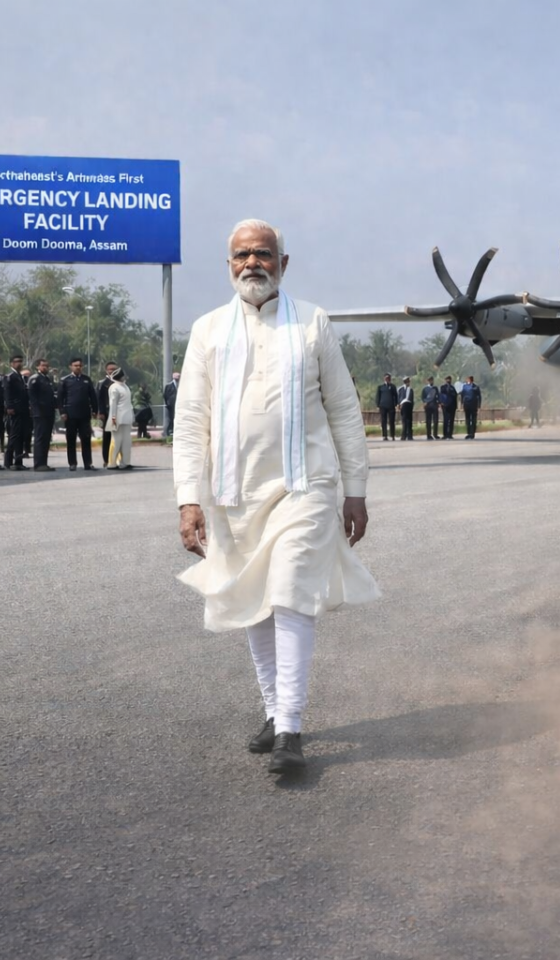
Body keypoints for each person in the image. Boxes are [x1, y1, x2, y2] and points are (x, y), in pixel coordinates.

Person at [174, 218, 378, 775]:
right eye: (241, 255)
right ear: (229, 265)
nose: (252, 264)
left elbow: (343, 409)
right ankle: (273, 710)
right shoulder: (208, 330)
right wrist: (189, 499)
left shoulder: (312, 323)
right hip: (233, 493)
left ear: (283, 264)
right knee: (253, 603)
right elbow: (191, 420)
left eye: (263, 254)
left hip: (304, 485)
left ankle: (289, 725)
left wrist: (355, 490)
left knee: (289, 593)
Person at [57, 358, 98, 472]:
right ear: (70, 366)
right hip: (70, 415)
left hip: (84, 414)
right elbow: (60, 399)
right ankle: (72, 463)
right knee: (71, 439)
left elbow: (92, 396)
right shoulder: (65, 380)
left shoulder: (86, 379)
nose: (78, 367)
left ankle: (88, 463)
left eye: (80, 365)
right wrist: (62, 412)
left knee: (86, 438)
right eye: (75, 365)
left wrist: (95, 410)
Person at [27, 358, 57, 472]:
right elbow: (33, 398)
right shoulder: (35, 379)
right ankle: (38, 463)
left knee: (46, 438)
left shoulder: (48, 379)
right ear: (37, 367)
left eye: (47, 365)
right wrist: (36, 411)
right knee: (40, 438)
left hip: (48, 412)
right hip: (40, 413)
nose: (46, 367)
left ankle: (44, 462)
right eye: (43, 365)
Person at [5, 355, 30, 470]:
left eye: (21, 361)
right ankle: (8, 461)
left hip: (23, 410)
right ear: (11, 363)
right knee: (14, 436)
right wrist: (9, 407)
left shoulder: (20, 376)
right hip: (15, 410)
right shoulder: (10, 377)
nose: (19, 363)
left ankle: (18, 461)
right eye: (16, 362)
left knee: (21, 436)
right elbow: (7, 393)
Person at [105, 367, 134, 470]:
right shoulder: (114, 387)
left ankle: (125, 462)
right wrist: (113, 418)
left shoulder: (125, 386)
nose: (125, 377)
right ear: (119, 377)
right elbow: (113, 404)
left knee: (126, 441)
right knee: (116, 441)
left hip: (127, 417)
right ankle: (112, 463)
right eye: (123, 375)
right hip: (117, 417)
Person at [96, 361, 118, 465]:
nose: (112, 371)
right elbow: (99, 399)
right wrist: (100, 413)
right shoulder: (102, 383)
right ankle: (106, 460)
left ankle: (119, 459)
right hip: (108, 413)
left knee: (119, 437)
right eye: (110, 369)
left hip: (120, 413)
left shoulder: (121, 382)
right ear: (106, 370)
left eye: (114, 369)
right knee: (107, 437)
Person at [374, 374, 397, 441]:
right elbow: (378, 397)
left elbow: (395, 396)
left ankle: (392, 435)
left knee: (392, 421)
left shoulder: (392, 387)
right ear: (384, 378)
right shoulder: (380, 387)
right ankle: (384, 435)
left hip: (391, 406)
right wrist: (378, 405)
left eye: (388, 378)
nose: (387, 379)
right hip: (383, 406)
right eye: (386, 378)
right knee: (383, 421)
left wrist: (396, 404)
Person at [461, 374, 482, 439]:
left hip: (473, 406)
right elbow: (462, 396)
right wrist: (462, 404)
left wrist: (479, 406)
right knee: (467, 420)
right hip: (467, 405)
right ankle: (468, 433)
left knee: (473, 420)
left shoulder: (476, 387)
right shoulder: (464, 387)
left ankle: (472, 433)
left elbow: (479, 397)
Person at [421, 375, 440, 440]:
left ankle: (435, 434)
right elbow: (423, 397)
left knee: (435, 421)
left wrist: (438, 403)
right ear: (428, 381)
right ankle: (428, 435)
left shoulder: (435, 388)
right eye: (429, 380)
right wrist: (424, 402)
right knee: (428, 421)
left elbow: (438, 396)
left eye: (432, 380)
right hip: (428, 406)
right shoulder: (425, 389)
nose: (431, 381)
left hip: (434, 405)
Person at [440, 373, 458, 439]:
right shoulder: (443, 387)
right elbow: (441, 395)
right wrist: (441, 403)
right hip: (445, 406)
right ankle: (445, 434)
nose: (448, 380)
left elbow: (455, 396)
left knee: (451, 421)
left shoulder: (453, 388)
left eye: (449, 379)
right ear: (445, 380)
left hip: (452, 406)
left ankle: (450, 434)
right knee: (445, 420)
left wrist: (456, 406)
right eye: (447, 379)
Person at [397, 375, 415, 440]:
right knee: (404, 421)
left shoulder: (411, 389)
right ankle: (403, 435)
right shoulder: (400, 389)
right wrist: (398, 405)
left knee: (409, 420)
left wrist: (412, 406)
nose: (407, 382)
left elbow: (412, 399)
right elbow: (399, 398)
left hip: (409, 404)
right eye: (406, 381)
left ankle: (410, 435)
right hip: (403, 405)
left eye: (408, 381)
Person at [163, 371, 179, 438]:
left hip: (178, 405)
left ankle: (173, 431)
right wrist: (168, 403)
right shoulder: (169, 386)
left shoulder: (180, 385)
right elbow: (165, 395)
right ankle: (168, 431)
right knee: (171, 418)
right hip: (171, 405)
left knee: (176, 418)